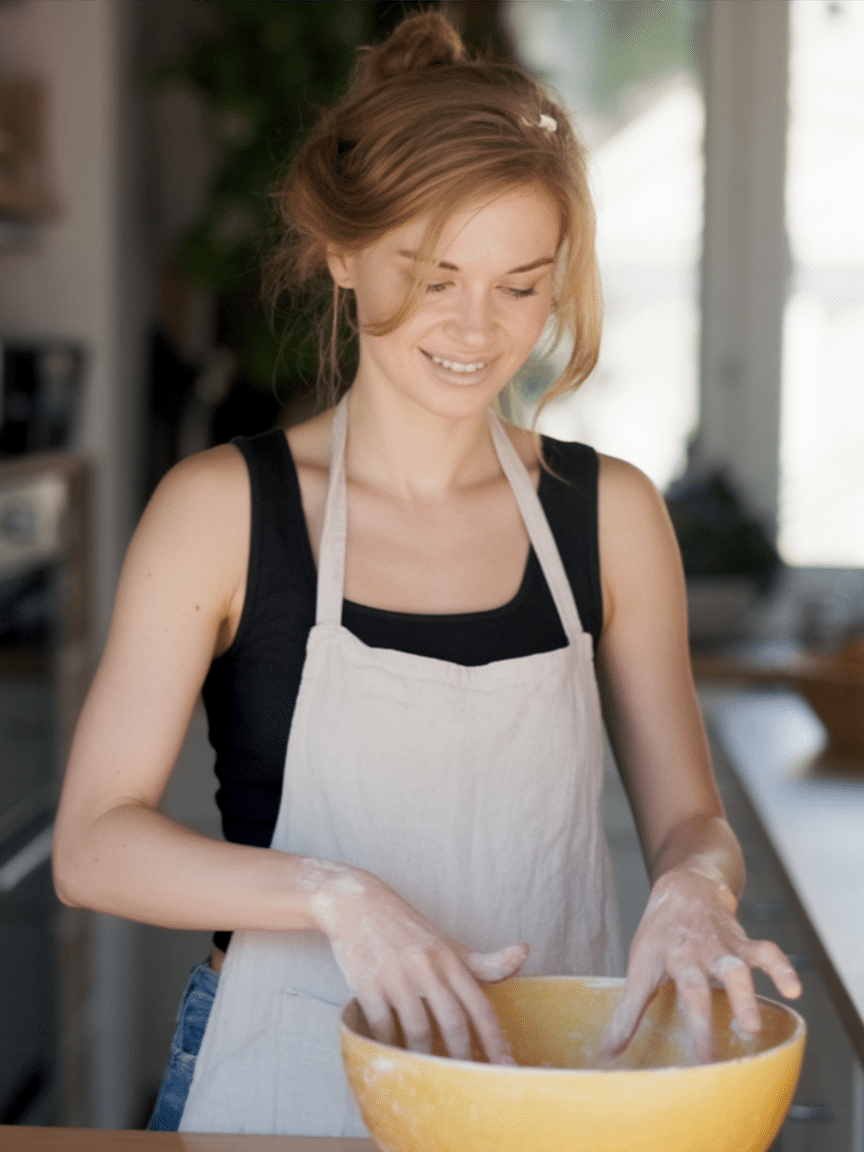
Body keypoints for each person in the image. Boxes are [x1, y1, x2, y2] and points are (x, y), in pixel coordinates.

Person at [53, 11, 801, 1138]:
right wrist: (335, 895)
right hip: (283, 1072)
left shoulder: (610, 515)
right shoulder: (221, 511)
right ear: (343, 253)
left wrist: (696, 891)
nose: (474, 327)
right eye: (432, 272)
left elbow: (690, 818)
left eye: (519, 283)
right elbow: (93, 844)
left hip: (554, 1082)